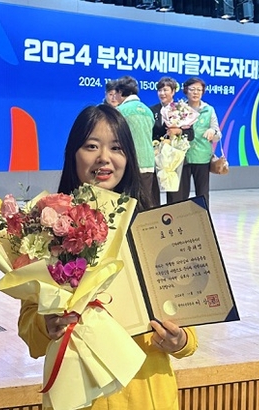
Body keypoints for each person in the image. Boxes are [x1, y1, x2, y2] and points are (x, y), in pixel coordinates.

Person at [18, 104, 198, 410]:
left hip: (147, 391)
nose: (104, 157)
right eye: (91, 146)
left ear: (128, 157)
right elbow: (30, 331)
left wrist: (180, 340)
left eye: (116, 148)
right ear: (73, 154)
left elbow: (187, 322)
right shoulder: (47, 230)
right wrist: (46, 325)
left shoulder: (153, 228)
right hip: (80, 395)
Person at [167, 77, 221, 207]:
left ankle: (202, 217)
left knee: (202, 194)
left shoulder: (209, 110)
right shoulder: (179, 109)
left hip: (202, 157)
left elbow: (218, 134)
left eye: (199, 90)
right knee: (180, 195)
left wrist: (213, 132)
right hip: (182, 157)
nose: (195, 92)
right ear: (186, 91)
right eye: (192, 89)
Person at [115, 75, 159, 207]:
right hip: (148, 162)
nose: (114, 97)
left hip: (130, 163)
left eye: (115, 93)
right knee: (144, 201)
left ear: (120, 92)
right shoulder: (148, 111)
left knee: (128, 204)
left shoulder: (120, 111)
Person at [150, 76, 180, 141]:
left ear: (173, 91)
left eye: (165, 90)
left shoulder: (181, 109)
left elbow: (190, 134)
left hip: (175, 146)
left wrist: (179, 131)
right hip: (155, 146)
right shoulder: (152, 110)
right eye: (159, 90)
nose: (162, 93)